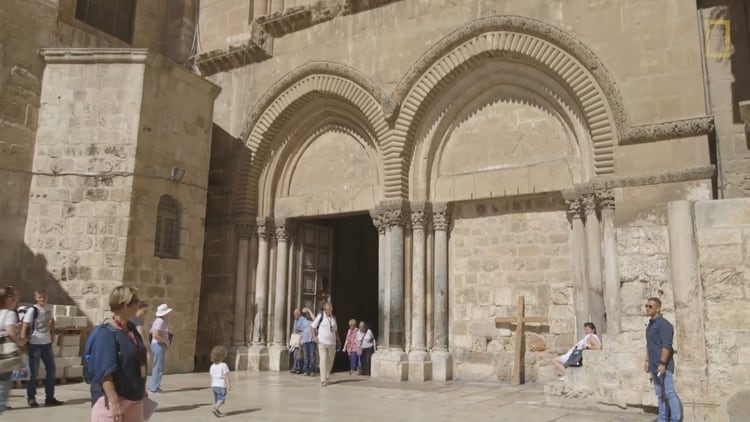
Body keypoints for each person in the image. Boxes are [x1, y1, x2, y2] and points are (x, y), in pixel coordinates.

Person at [88, 286, 148, 422]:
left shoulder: (131, 329)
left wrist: (141, 388)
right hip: (112, 402)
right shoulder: (106, 334)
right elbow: (104, 372)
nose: (139, 304)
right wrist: (114, 403)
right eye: (136, 301)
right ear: (126, 305)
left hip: (134, 397)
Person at [21, 288, 63, 407]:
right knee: (33, 372)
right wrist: (23, 344)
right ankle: (31, 397)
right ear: (36, 298)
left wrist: (53, 333)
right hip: (35, 344)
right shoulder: (32, 310)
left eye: (44, 297)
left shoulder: (49, 308)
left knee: (51, 370)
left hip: (47, 344)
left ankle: (49, 397)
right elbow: (25, 325)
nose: (42, 299)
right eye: (40, 297)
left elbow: (52, 321)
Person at [644, 297, 681, 422]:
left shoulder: (664, 324)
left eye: (650, 306)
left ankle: (675, 419)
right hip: (654, 365)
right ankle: (662, 419)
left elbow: (666, 346)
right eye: (646, 306)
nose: (647, 308)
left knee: (669, 393)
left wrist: (662, 362)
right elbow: (649, 345)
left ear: (658, 308)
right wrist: (647, 361)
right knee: (660, 394)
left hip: (663, 365)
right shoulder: (650, 325)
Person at [0, 286, 25, 414]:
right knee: (2, 392)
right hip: (3, 357)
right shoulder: (9, 314)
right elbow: (10, 332)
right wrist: (21, 341)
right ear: (9, 299)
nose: (17, 300)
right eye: (15, 298)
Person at [311, 302, 340, 387]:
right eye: (328, 309)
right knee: (323, 360)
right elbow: (312, 326)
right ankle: (323, 380)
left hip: (332, 343)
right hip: (322, 342)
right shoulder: (321, 316)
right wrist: (314, 337)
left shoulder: (333, 318)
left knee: (330, 360)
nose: (330, 310)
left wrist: (339, 340)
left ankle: (327, 376)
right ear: (325, 309)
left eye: (331, 308)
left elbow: (335, 330)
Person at [149, 303, 172, 393]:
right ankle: (154, 387)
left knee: (157, 365)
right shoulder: (160, 321)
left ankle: (154, 386)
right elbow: (155, 334)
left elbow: (151, 331)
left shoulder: (157, 321)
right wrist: (165, 341)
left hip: (156, 345)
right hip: (158, 345)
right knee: (158, 366)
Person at [209, 345, 230, 418]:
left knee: (217, 399)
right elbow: (226, 377)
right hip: (221, 385)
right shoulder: (224, 365)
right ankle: (215, 408)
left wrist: (211, 385)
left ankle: (217, 410)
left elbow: (212, 376)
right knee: (221, 399)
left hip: (214, 385)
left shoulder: (212, 366)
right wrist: (228, 385)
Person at [300, 308, 315, 376]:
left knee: (312, 356)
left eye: (308, 314)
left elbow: (315, 319)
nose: (307, 315)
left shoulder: (313, 321)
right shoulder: (303, 320)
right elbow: (302, 331)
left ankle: (312, 370)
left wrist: (309, 310)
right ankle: (306, 370)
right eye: (306, 314)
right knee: (306, 356)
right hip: (304, 340)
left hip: (311, 340)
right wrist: (300, 340)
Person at [290, 309, 304, 374]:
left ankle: (299, 367)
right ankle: (295, 367)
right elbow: (294, 329)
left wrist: (298, 329)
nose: (294, 315)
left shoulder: (302, 319)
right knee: (295, 353)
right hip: (295, 338)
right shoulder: (295, 320)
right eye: (294, 314)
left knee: (299, 353)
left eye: (295, 314)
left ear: (299, 314)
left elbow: (305, 328)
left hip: (301, 338)